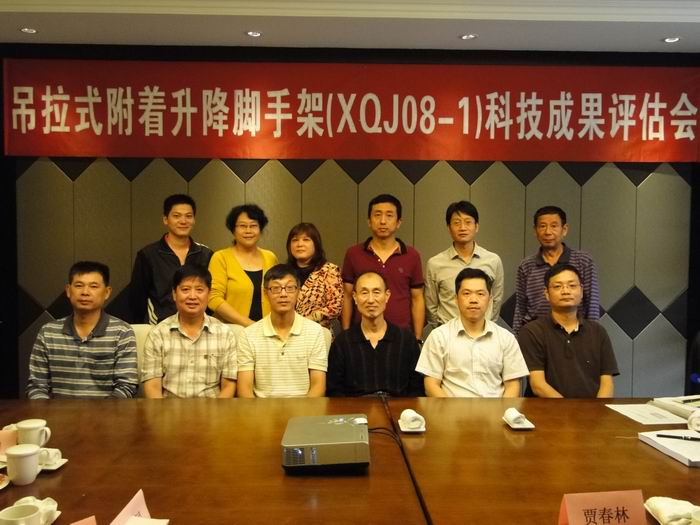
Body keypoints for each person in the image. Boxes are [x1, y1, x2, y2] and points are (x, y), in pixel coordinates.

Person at [27, 261, 138, 399]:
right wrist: (47, 410)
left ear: (107, 292)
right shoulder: (48, 332)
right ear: (68, 290)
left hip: (106, 412)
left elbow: (126, 387)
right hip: (57, 411)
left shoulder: (122, 332)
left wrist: (102, 412)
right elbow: (37, 386)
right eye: (79, 285)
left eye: (93, 286)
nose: (85, 292)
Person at [416, 268, 528, 398]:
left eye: (480, 294)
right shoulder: (438, 336)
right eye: (466, 293)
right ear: (456, 299)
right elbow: (431, 385)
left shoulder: (506, 338)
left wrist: (501, 410)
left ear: (490, 299)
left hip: (495, 409)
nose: (473, 299)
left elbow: (513, 386)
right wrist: (451, 409)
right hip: (451, 409)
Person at [517, 263, 618, 398]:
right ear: (546, 294)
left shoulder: (598, 332)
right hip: (546, 410)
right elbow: (538, 385)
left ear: (581, 291)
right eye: (557, 286)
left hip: (592, 410)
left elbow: (607, 382)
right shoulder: (532, 331)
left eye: (572, 285)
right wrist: (570, 409)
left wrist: (597, 409)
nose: (566, 291)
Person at [141, 265, 237, 398]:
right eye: (185, 289)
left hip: (212, 409)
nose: (192, 296)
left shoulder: (225, 334)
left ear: (209, 294)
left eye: (199, 290)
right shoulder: (158, 334)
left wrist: (218, 411)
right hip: (169, 409)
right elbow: (152, 387)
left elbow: (229, 386)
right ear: (174, 294)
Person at [341, 194, 425, 340]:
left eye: (389, 215)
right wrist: (346, 335)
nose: (383, 221)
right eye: (377, 215)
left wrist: (417, 338)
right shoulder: (353, 254)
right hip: (361, 336)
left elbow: (417, 299)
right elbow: (347, 296)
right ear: (369, 221)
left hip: (402, 336)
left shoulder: (412, 255)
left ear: (398, 222)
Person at [237, 264, 328, 397]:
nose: (283, 294)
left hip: (304, 407)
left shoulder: (314, 331)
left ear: (298, 292)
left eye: (290, 288)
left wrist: (304, 410)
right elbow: (245, 389)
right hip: (261, 408)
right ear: (265, 293)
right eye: (276, 288)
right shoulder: (248, 335)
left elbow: (318, 386)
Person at [327, 271, 424, 397]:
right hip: (355, 408)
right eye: (364, 293)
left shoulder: (406, 340)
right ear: (355, 297)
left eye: (376, 292)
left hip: (399, 408)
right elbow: (334, 391)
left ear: (387, 296)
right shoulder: (342, 343)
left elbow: (417, 389)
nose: (371, 300)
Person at [513, 205, 600, 334]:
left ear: (564, 229)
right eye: (542, 226)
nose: (548, 232)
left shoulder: (583, 261)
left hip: (574, 332)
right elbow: (520, 308)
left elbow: (592, 305)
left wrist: (593, 335)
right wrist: (516, 337)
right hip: (535, 333)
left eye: (554, 226)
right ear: (535, 231)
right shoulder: (526, 265)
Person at [129, 194, 213, 324]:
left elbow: (211, 294)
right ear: (165, 220)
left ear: (194, 220)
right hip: (159, 326)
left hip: (199, 326)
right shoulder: (148, 255)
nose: (183, 221)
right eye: (176, 216)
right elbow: (137, 298)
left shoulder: (206, 254)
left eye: (188, 216)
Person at [425, 200, 504, 327]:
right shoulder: (435, 264)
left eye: (468, 222)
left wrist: (485, 327)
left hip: (483, 333)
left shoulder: (493, 261)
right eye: (457, 223)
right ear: (449, 228)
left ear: (476, 226)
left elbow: (496, 301)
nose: (462, 228)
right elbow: (431, 306)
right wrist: (442, 330)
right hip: (448, 334)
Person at [208, 204, 278, 326]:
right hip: (231, 330)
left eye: (253, 226)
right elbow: (213, 298)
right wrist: (250, 325)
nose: (248, 231)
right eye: (242, 226)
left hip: (269, 330)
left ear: (260, 229)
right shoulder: (221, 258)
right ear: (233, 230)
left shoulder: (270, 257)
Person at [286, 222, 343, 333]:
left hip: (317, 332)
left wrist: (308, 319)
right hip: (287, 331)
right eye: (295, 240)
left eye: (306, 240)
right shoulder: (284, 272)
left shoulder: (329, 271)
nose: (299, 244)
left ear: (316, 244)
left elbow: (336, 306)